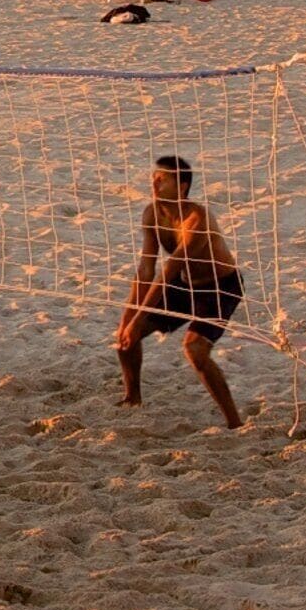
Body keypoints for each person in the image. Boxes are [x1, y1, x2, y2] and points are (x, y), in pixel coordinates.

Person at [113, 159, 243, 425]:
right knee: (124, 338)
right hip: (185, 285)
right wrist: (128, 318)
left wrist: (138, 321)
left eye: (163, 179)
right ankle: (133, 397)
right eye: (153, 177)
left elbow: (167, 272)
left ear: (182, 187)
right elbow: (146, 270)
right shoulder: (152, 213)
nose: (154, 183)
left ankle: (234, 422)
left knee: (194, 350)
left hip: (219, 287)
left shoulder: (197, 220)